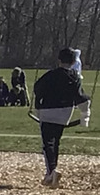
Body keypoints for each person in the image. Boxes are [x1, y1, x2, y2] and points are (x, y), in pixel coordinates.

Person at [33, 48, 90, 186]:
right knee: (55, 141)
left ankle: (51, 172)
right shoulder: (74, 76)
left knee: (48, 144)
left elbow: (37, 88)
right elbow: (80, 96)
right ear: (73, 62)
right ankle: (52, 171)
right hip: (65, 112)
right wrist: (85, 114)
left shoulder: (50, 75)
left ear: (59, 60)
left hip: (48, 111)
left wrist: (38, 105)